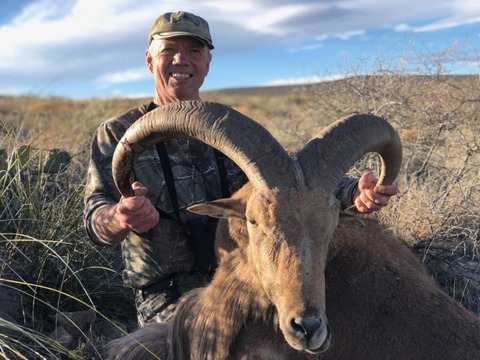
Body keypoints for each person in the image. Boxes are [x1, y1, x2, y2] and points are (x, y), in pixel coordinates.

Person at [84, 11, 398, 327]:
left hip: (248, 278)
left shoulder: (233, 130)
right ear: (150, 61)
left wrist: (353, 191)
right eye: (169, 50)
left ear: (207, 63)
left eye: (194, 51)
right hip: (167, 296)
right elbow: (95, 221)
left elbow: (287, 183)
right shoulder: (116, 134)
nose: (182, 60)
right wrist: (121, 216)